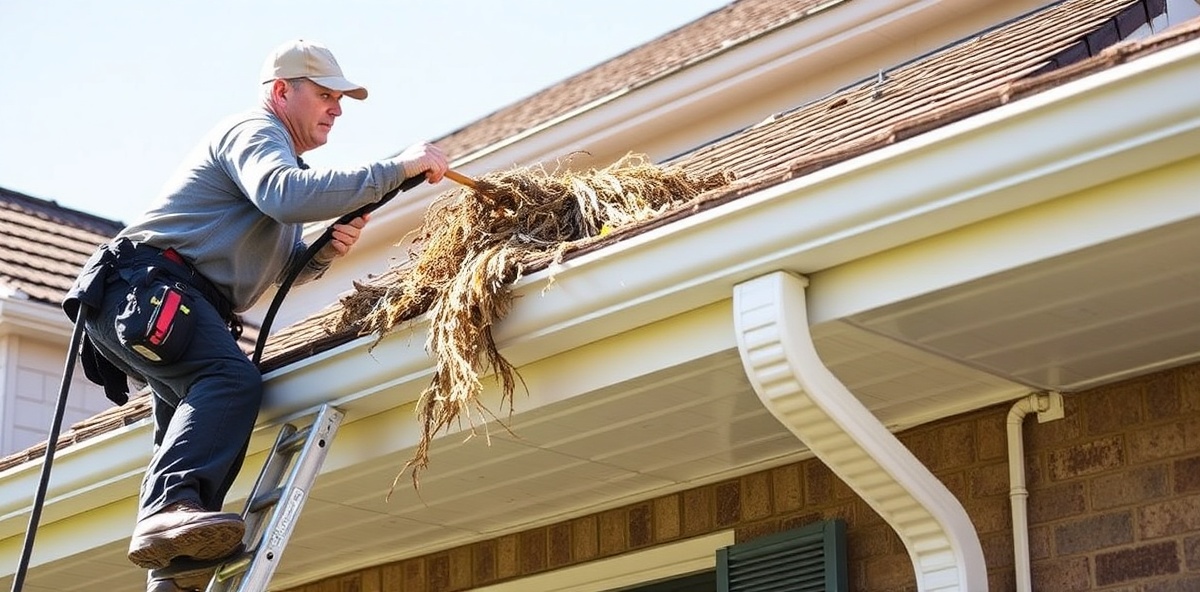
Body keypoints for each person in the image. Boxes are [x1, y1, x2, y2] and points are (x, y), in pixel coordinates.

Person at [64, 39, 449, 592]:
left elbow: (275, 265)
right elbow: (285, 195)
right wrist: (400, 167)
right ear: (282, 91)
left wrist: (319, 254)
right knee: (229, 381)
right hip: (149, 287)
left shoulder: (279, 166)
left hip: (163, 299)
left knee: (196, 424)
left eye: (340, 100)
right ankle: (170, 512)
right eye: (326, 96)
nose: (337, 109)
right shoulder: (255, 132)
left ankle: (171, 566)